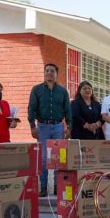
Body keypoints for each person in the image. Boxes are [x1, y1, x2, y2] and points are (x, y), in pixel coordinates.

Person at [28, 63, 72, 197]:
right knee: (43, 158)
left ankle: (57, 188)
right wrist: (32, 126)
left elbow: (68, 110)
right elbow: (31, 108)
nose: (49, 73)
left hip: (58, 126)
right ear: (44, 73)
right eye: (46, 71)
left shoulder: (63, 91)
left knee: (58, 157)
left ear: (56, 74)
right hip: (42, 127)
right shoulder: (37, 90)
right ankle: (43, 187)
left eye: (52, 71)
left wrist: (68, 127)